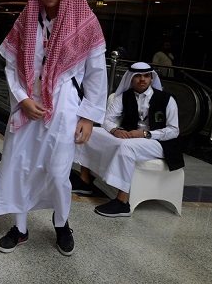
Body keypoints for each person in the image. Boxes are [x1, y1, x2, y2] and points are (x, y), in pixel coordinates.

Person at [0, 0, 107, 256]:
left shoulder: (86, 23)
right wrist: (22, 99)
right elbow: (12, 66)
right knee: (19, 166)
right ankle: (20, 228)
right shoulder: (27, 18)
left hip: (65, 105)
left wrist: (89, 117)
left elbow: (97, 74)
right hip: (28, 104)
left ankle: (62, 224)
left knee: (57, 171)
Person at [72, 62, 184, 217]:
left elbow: (174, 131)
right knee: (93, 132)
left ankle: (122, 201)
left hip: (160, 143)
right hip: (131, 137)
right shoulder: (124, 96)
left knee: (126, 147)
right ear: (131, 78)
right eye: (138, 76)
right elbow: (106, 119)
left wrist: (146, 134)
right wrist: (115, 130)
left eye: (146, 76)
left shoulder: (167, 99)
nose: (142, 79)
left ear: (152, 78)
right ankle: (85, 180)